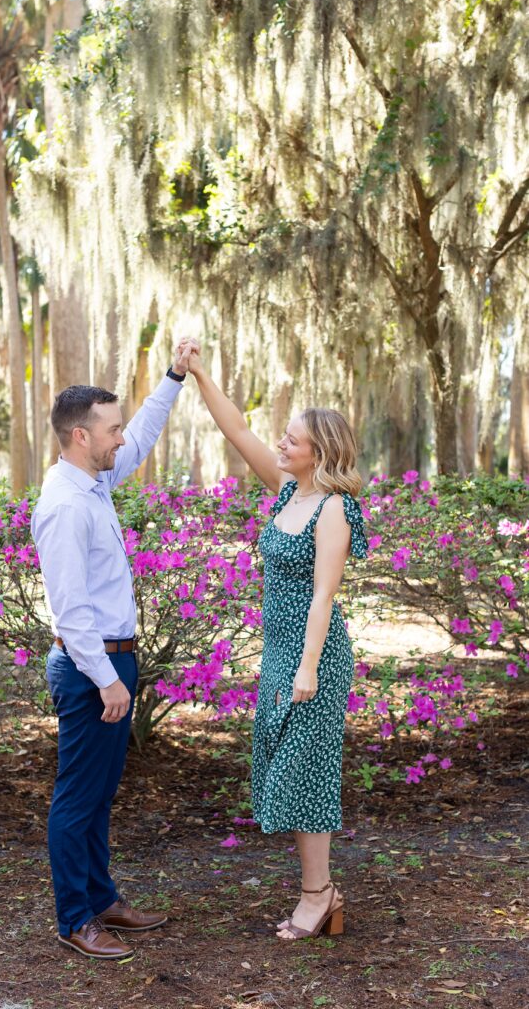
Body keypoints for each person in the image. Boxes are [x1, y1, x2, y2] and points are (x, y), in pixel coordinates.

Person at [187, 351, 368, 941]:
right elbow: (237, 429)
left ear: (321, 452)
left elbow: (324, 595)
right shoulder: (286, 491)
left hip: (314, 656)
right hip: (279, 655)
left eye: (292, 440)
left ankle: (318, 897)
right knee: (283, 771)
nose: (281, 444)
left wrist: (308, 668)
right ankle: (322, 892)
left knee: (303, 773)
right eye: (284, 438)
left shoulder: (335, 508)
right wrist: (203, 374)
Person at [31, 339, 197, 960]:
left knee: (100, 793)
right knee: (77, 796)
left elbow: (145, 433)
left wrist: (174, 377)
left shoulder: (93, 482)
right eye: (111, 428)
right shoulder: (66, 505)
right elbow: (70, 613)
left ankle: (102, 899)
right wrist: (105, 678)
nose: (121, 437)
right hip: (89, 666)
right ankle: (75, 918)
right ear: (80, 437)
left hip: (112, 659)